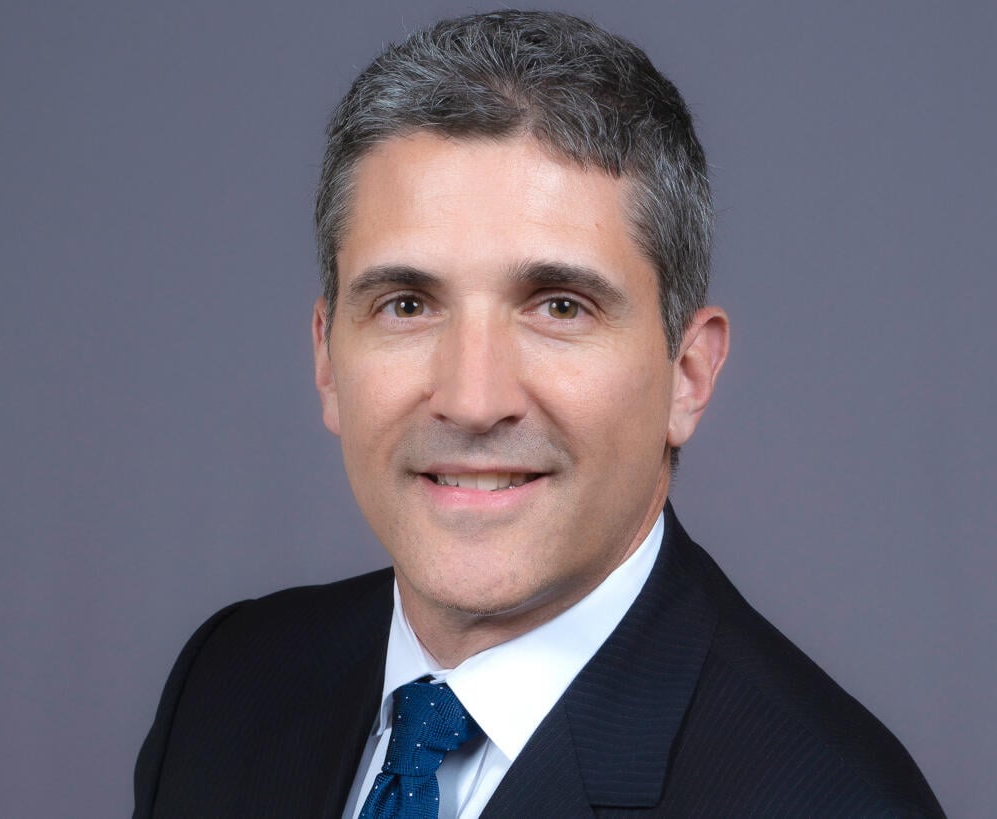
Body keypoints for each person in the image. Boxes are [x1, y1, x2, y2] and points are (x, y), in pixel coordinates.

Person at [133, 10, 944, 818]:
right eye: (407, 303)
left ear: (688, 377)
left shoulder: (835, 800)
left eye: (559, 306)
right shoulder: (227, 684)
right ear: (327, 359)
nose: (473, 399)